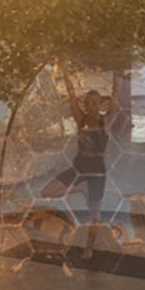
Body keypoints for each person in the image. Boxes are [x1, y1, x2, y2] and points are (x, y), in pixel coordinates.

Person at [40, 63, 112, 251]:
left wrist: (120, 74)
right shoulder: (81, 119)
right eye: (88, 103)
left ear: (100, 104)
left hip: (96, 171)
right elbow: (72, 96)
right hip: (79, 167)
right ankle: (80, 189)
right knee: (47, 192)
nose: (91, 106)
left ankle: (89, 248)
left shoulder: (105, 121)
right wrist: (64, 71)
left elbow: (117, 100)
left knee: (94, 213)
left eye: (95, 103)